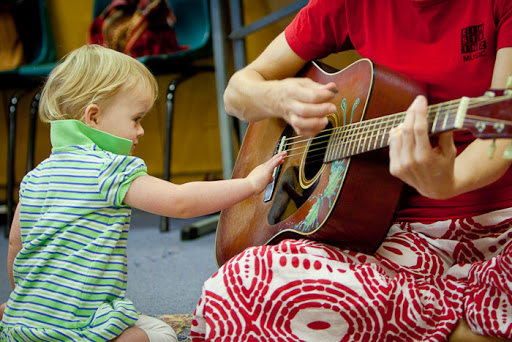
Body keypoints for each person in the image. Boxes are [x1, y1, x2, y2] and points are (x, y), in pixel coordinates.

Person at [190, 0, 512, 341]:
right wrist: (278, 97)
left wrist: (452, 180)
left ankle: (422, 320)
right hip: (399, 239)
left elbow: (503, 126)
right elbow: (237, 92)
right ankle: (473, 324)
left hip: (502, 228)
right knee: (241, 282)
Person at [0, 44, 286, 342]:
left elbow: (15, 247)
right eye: (136, 119)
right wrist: (250, 184)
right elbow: (180, 201)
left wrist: (26, 301)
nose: (141, 131)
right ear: (93, 118)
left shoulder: (34, 177)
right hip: (77, 330)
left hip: (24, 325)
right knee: (155, 333)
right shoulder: (109, 169)